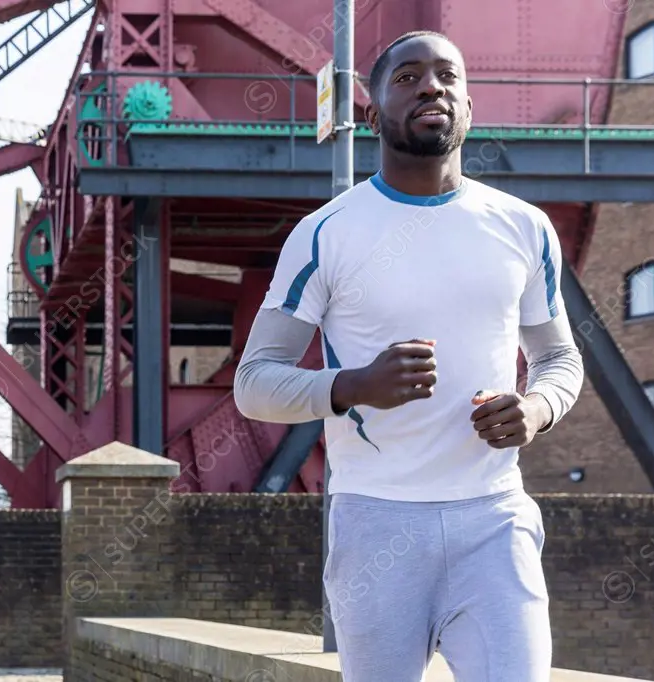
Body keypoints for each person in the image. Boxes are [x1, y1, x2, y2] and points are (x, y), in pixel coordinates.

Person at [234, 31, 584, 682]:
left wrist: (536, 409)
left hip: (494, 517)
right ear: (372, 115)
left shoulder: (524, 227)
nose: (431, 87)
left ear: (469, 107)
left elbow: (560, 357)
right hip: (375, 521)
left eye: (448, 77)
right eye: (409, 78)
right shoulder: (326, 233)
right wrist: (354, 384)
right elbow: (254, 383)